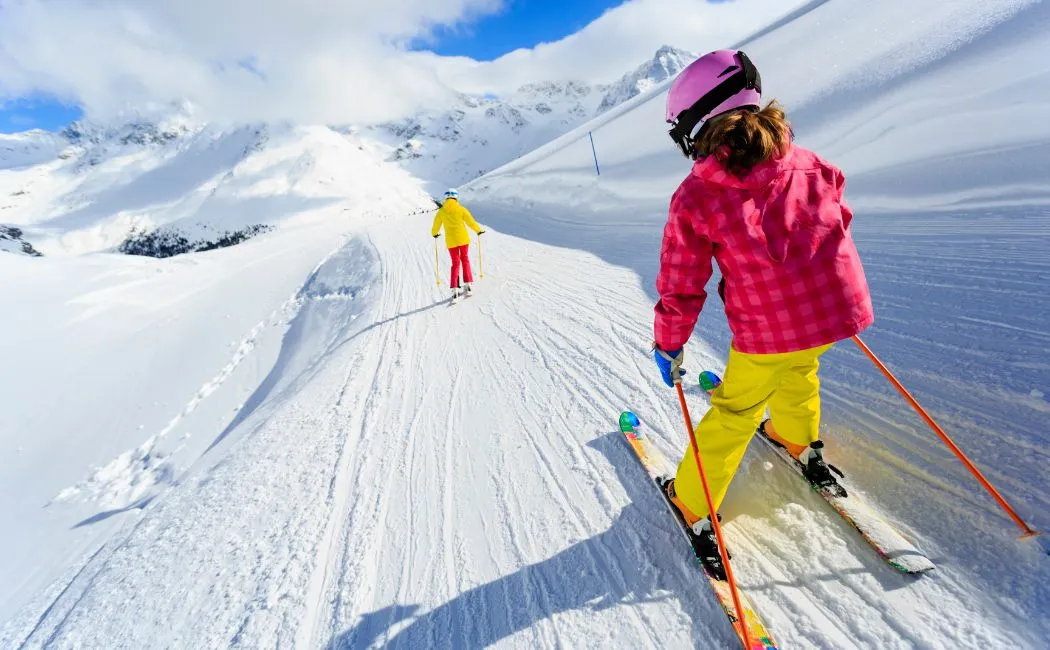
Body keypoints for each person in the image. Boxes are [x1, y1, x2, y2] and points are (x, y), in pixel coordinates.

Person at [651, 50, 874, 573]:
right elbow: (838, 220)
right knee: (801, 366)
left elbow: (682, 284)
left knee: (735, 409)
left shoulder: (698, 194)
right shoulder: (812, 162)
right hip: (833, 314)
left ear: (696, 124)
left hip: (768, 330)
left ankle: (692, 499)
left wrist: (669, 341)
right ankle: (796, 438)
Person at [432, 189, 485, 300]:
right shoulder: (461, 209)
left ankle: (455, 289)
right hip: (463, 239)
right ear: (456, 198)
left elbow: (436, 225)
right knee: (465, 260)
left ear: (446, 198)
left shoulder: (441, 212)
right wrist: (478, 230)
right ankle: (468, 284)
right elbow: (470, 222)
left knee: (455, 263)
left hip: (451, 242)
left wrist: (434, 234)